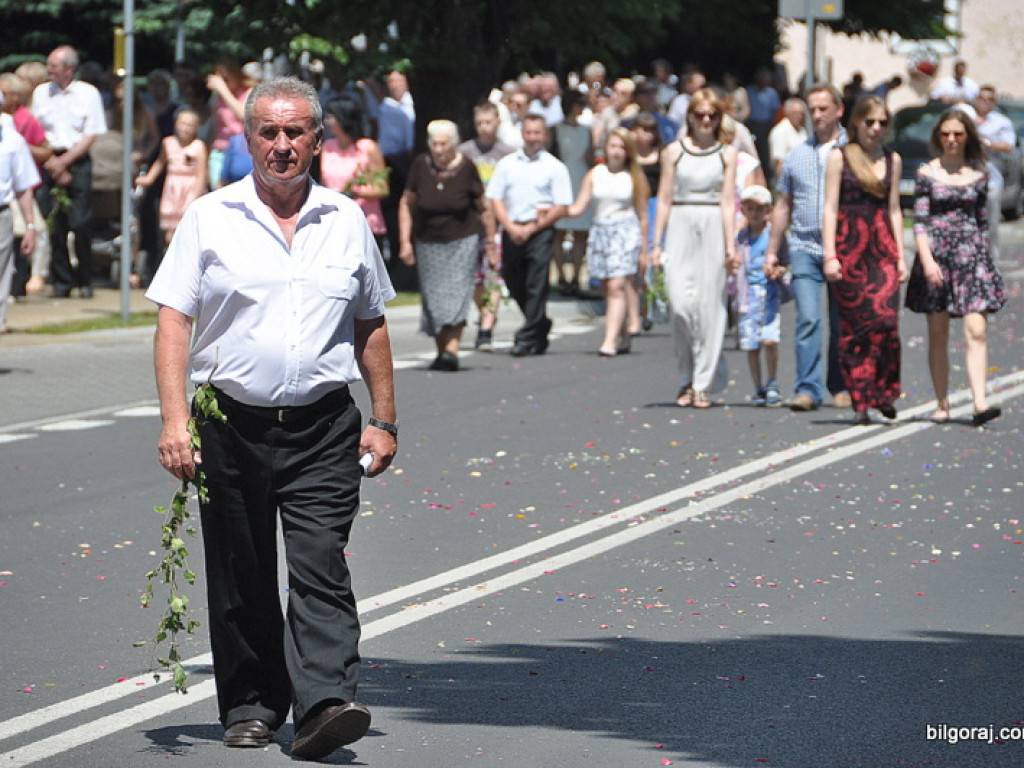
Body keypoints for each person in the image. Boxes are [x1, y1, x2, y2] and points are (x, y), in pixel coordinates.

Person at [146, 76, 397, 759]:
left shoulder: (345, 219)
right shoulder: (211, 216)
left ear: (317, 140)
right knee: (242, 570)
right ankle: (252, 704)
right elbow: (174, 321)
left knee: (320, 565)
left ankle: (325, 704)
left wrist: (384, 419)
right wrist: (175, 420)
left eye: (295, 132)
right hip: (229, 424)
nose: (281, 145)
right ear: (249, 138)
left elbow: (370, 321)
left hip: (323, 426)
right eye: (268, 132)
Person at [905, 107, 1005, 426]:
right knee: (938, 333)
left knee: (977, 329)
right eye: (945, 134)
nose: (951, 139)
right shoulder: (926, 173)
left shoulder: (979, 174)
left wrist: (987, 262)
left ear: (967, 137)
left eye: (957, 134)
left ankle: (979, 403)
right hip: (937, 258)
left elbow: (983, 222)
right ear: (938, 137)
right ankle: (942, 403)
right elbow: (920, 222)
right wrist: (927, 261)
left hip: (971, 257)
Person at [822, 95, 908, 424]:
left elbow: (895, 209)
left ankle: (884, 391)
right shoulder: (840, 157)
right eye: (869, 121)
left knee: (886, 322)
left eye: (882, 123)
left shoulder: (893, 159)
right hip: (849, 249)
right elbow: (830, 207)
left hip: (883, 248)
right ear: (856, 122)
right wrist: (830, 255)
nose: (875, 128)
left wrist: (901, 256)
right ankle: (860, 397)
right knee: (856, 329)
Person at [651, 88, 738, 409]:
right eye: (699, 115)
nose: (705, 121)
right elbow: (664, 198)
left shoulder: (727, 154)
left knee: (710, 307)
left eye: (712, 116)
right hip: (680, 221)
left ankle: (700, 383)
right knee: (680, 305)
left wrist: (730, 245)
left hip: (713, 222)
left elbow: (727, 201)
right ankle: (689, 373)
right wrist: (655, 242)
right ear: (689, 117)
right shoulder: (673, 152)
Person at [767, 83, 850, 412]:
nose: (816, 115)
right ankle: (807, 388)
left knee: (842, 321)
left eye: (823, 109)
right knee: (808, 319)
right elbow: (783, 204)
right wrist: (773, 250)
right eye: (812, 109)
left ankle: (840, 385)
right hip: (803, 244)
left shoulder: (852, 151)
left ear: (838, 110)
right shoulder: (797, 154)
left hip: (843, 246)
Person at [399, 119, 493, 371]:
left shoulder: (467, 166)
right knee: (434, 300)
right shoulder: (421, 165)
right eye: (434, 144)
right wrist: (405, 242)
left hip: (463, 239)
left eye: (443, 144)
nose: (438, 149)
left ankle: (452, 350)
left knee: (457, 294)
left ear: (454, 144)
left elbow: (484, 207)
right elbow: (406, 203)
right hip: (428, 240)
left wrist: (491, 242)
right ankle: (442, 351)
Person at [487, 114, 573, 356]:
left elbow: (561, 206)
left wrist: (532, 229)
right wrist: (510, 227)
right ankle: (539, 324)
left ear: (544, 135)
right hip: (512, 229)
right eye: (529, 132)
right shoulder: (507, 164)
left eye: (537, 133)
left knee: (536, 284)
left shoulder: (555, 167)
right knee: (512, 279)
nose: (533, 138)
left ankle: (526, 337)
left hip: (540, 231)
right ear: (522, 134)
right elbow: (495, 199)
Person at [565, 127, 649, 355]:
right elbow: (578, 207)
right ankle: (622, 332)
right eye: (613, 146)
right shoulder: (595, 174)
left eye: (622, 147)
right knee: (607, 287)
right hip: (601, 232)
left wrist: (644, 249)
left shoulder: (634, 177)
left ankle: (609, 341)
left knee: (616, 286)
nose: (617, 151)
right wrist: (555, 211)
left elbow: (642, 215)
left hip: (625, 232)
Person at [31, 45, 107, 298]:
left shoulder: (88, 93)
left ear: (69, 69)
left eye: (54, 65)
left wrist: (66, 162)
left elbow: (91, 133)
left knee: (81, 222)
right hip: (49, 159)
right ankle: (61, 281)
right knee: (54, 223)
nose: (49, 70)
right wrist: (53, 162)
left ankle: (85, 279)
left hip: (77, 160)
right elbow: (37, 130)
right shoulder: (41, 93)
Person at [458, 101, 515, 350]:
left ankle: (486, 328)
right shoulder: (465, 151)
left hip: (498, 222)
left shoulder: (508, 154)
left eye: (488, 122)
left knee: (493, 273)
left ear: (497, 122)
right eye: (479, 123)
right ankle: (485, 312)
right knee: (475, 278)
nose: (484, 127)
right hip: (471, 222)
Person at [734, 185, 786, 407]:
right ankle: (758, 387)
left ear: (768, 211)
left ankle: (772, 381)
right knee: (752, 344)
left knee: (769, 339)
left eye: (759, 209)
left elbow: (785, 263)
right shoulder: (741, 238)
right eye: (750, 209)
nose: (754, 214)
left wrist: (778, 271)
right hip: (748, 296)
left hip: (769, 293)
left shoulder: (774, 235)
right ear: (743, 211)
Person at [0, 72, 51, 296]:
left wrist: (21, 147)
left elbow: (45, 150)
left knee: (36, 230)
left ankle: (37, 275)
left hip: (12, 195)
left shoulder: (22, 123)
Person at [320, 94, 389, 254]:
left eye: (331, 116)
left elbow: (382, 188)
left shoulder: (368, 148)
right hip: (334, 223)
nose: (327, 121)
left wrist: (354, 192)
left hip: (365, 222)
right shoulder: (327, 147)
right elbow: (323, 184)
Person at [135, 108, 208, 245]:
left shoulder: (198, 146)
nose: (185, 128)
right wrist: (149, 178)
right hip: (173, 186)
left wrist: (196, 194)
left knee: (186, 224)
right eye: (183, 124)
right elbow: (160, 162)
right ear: (176, 124)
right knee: (169, 228)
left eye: (190, 125)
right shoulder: (168, 143)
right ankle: (169, 250)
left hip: (190, 187)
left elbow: (202, 173)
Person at [0, 99, 40, 334]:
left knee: (1, 271)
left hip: (2, 213)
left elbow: (24, 187)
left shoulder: (13, 141)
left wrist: (30, 226)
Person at [551, 89, 593, 297]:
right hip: (561, 180)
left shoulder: (587, 130)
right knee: (559, 231)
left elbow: (591, 157)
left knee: (580, 232)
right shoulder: (555, 130)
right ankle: (560, 276)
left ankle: (576, 276)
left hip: (581, 179)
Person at [973, 85, 1015, 261]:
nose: (985, 102)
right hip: (969, 176)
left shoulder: (1001, 122)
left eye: (990, 99)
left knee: (991, 221)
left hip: (992, 177)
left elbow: (1008, 146)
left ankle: (992, 259)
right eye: (982, 98)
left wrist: (986, 143)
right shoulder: (968, 118)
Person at [206, 59, 254, 187]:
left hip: (241, 150)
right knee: (219, 191)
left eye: (226, 79)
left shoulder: (249, 92)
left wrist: (223, 90)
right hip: (220, 150)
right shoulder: (217, 97)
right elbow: (214, 125)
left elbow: (243, 115)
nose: (224, 83)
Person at [768, 97, 807, 183]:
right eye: (795, 113)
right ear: (787, 113)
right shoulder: (780, 131)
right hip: (789, 181)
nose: (799, 116)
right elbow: (779, 163)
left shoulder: (802, 130)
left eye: (801, 114)